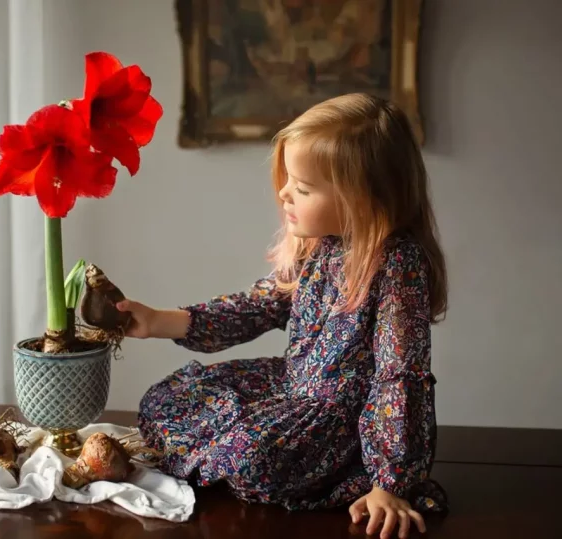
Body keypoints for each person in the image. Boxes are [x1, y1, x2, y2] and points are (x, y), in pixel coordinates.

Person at [117, 93, 449, 539]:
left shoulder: (396, 265)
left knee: (256, 456)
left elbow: (399, 376)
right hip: (292, 388)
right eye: (289, 180)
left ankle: (358, 473)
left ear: (363, 199)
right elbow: (257, 306)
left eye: (304, 188)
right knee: (166, 399)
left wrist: (390, 482)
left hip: (346, 420)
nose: (284, 193)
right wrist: (158, 321)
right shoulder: (320, 245)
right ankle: (228, 454)